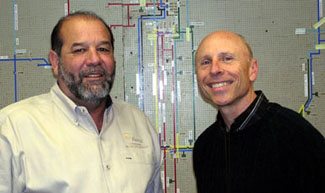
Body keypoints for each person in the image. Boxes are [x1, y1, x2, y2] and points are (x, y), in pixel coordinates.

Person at [0, 11, 162, 193]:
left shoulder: (140, 124)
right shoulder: (12, 129)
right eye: (79, 50)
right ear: (55, 61)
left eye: (103, 49)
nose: (94, 60)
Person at [193, 30, 325, 193]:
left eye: (227, 59)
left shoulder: (296, 136)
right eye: (205, 62)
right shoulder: (204, 147)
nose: (214, 69)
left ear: (252, 70)